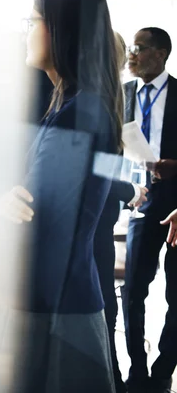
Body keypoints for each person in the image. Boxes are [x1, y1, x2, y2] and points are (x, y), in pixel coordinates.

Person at [0, 0, 123, 391]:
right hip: (53, 299)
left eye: (32, 22)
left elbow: (37, 216)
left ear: (62, 30)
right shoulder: (67, 105)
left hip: (56, 311)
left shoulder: (78, 114)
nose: (25, 33)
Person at [120, 27, 177, 393]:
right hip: (139, 200)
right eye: (130, 47)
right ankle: (137, 371)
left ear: (162, 53)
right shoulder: (121, 94)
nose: (132, 54)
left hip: (176, 204)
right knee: (133, 290)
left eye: (139, 48)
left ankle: (162, 372)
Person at [90, 30, 145, 393]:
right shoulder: (96, 102)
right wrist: (132, 189)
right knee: (102, 308)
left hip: (98, 221)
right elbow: (97, 167)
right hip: (92, 226)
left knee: (104, 307)